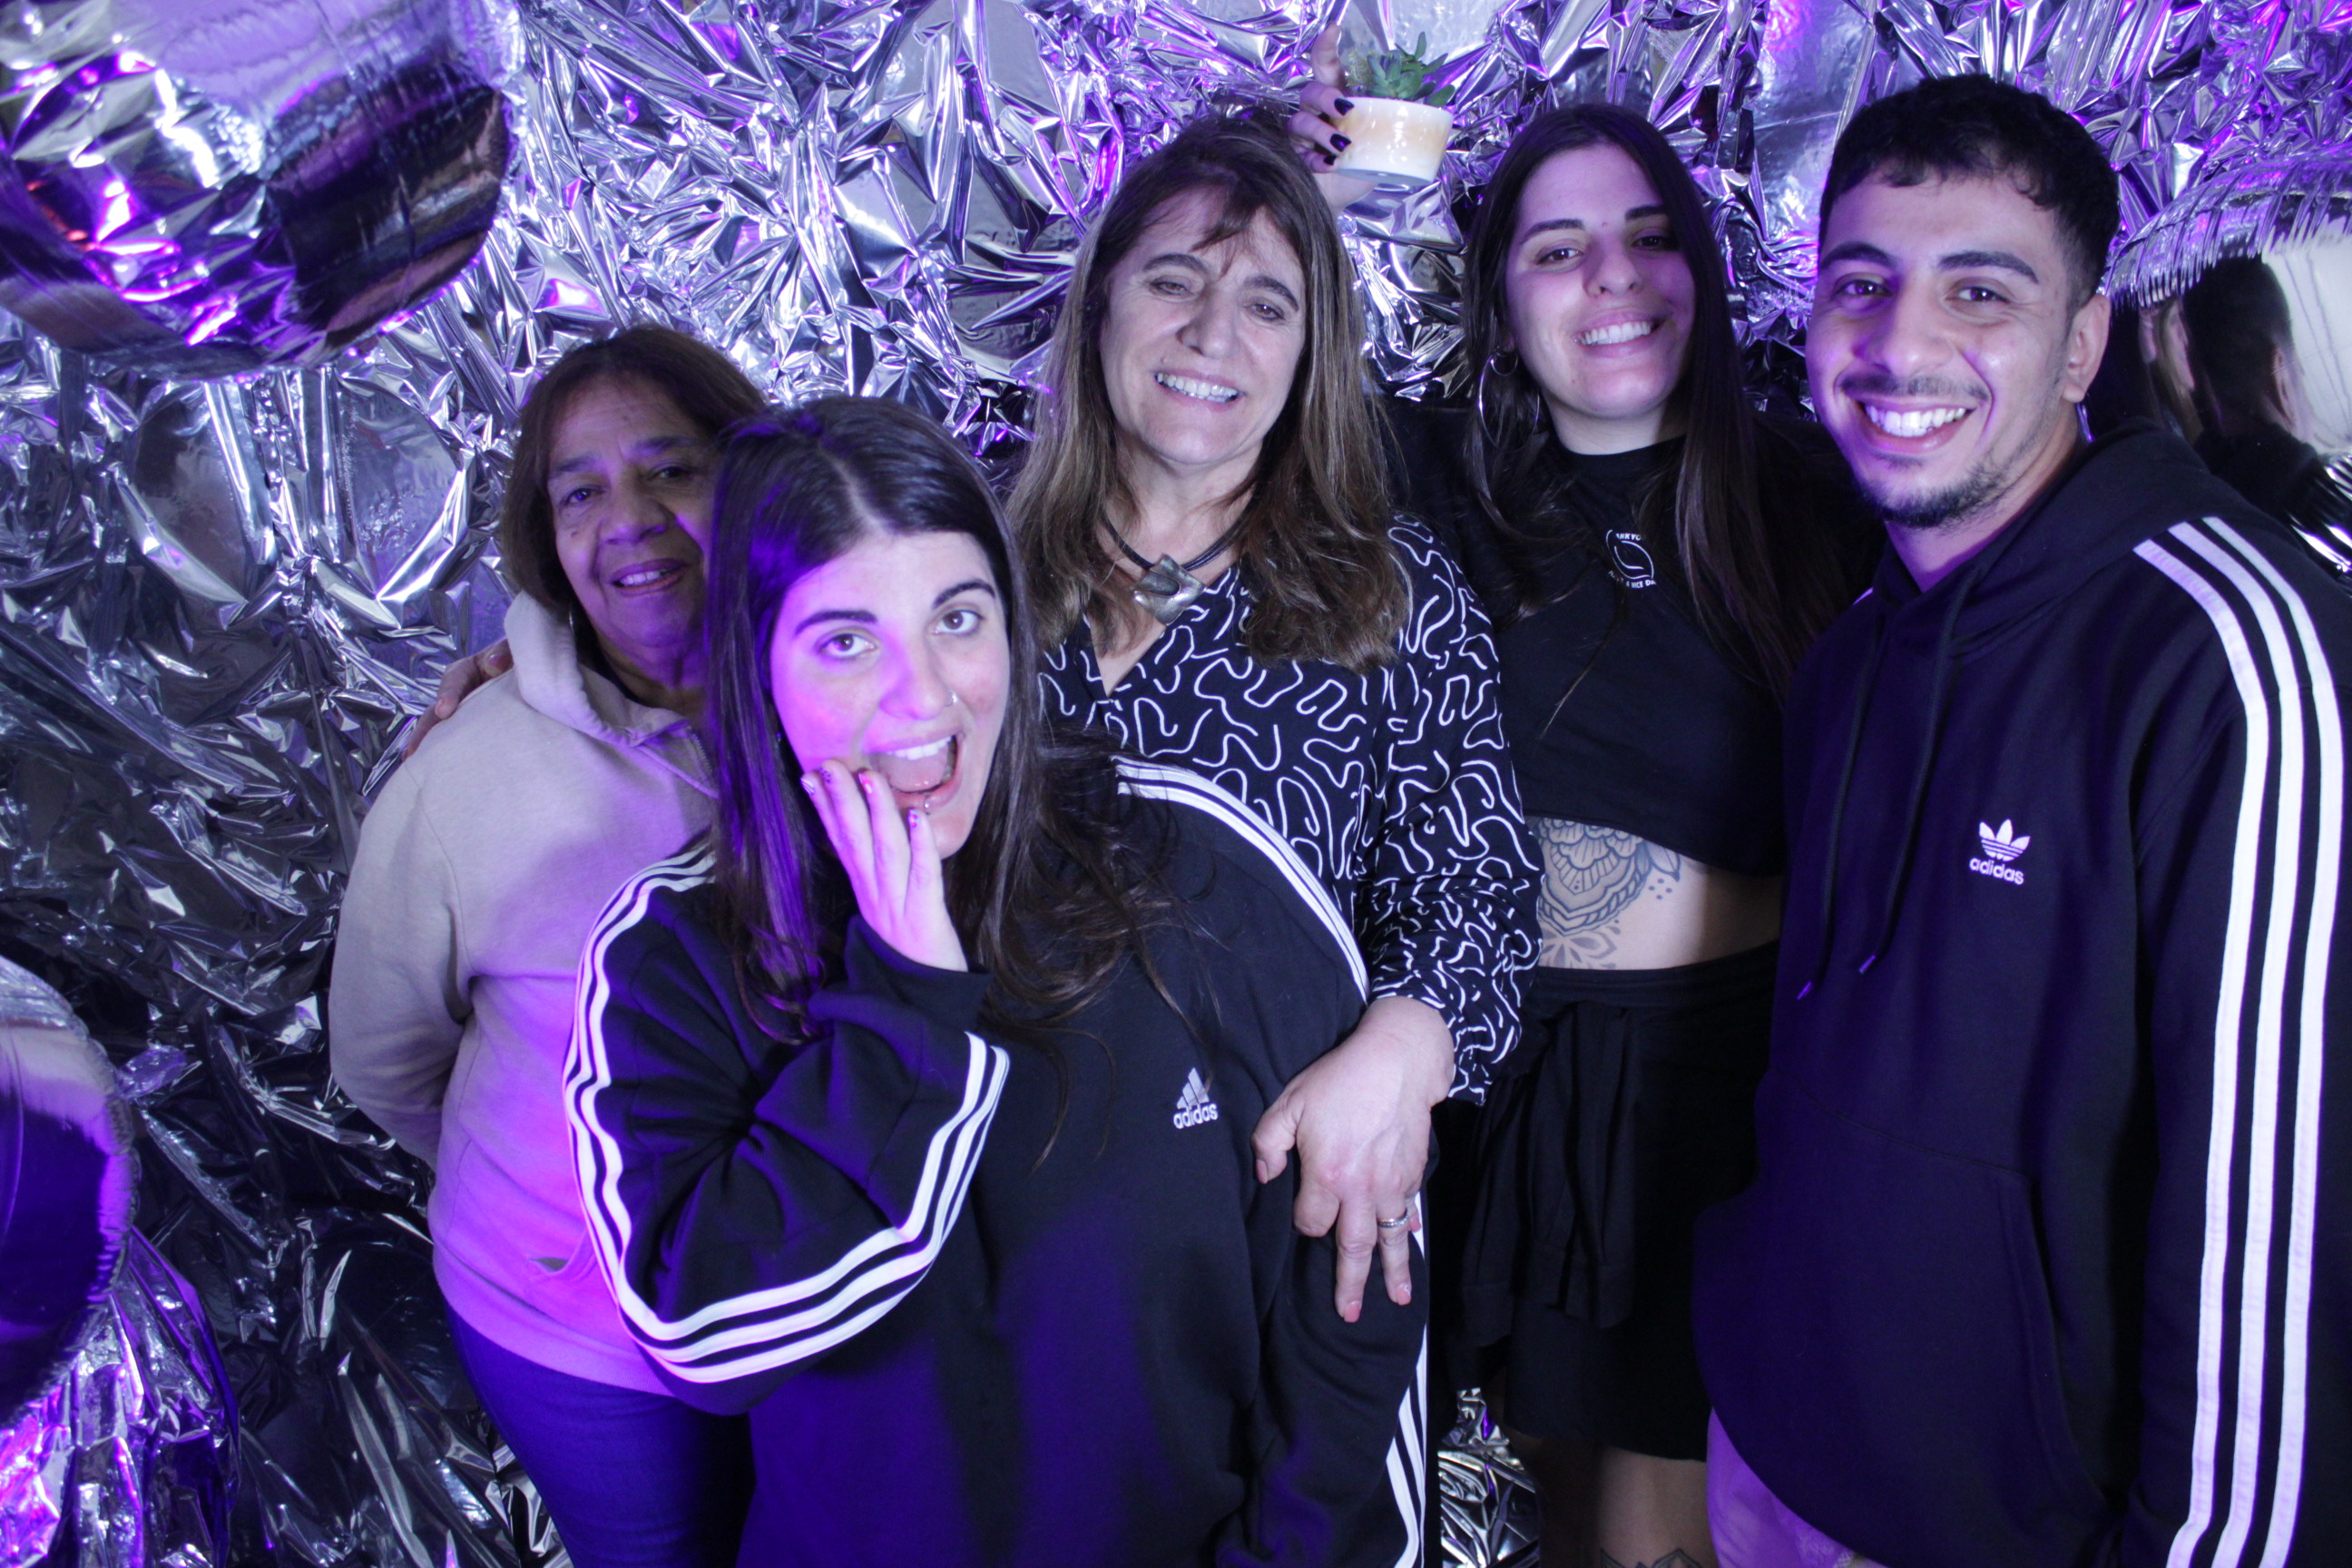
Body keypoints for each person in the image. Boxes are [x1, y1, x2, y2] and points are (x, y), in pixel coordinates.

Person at [564, 397, 1428, 1567]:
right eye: (845, 641)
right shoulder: (669, 958)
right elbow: (707, 1339)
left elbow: (1351, 1315)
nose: (924, 698)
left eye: (958, 618)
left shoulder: (1194, 866)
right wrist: (904, 1007)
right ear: (755, 664)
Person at [1690, 74, 2351, 1567]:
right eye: (1862, 283)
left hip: (2013, 1526)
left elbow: (2279, 1232)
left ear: (2085, 343)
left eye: (1980, 291)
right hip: (1777, 1465)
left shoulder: (2229, 656)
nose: (1901, 344)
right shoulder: (1854, 649)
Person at [1294, 72, 1869, 1564]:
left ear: (1701, 269)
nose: (1612, 277)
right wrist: (1312, 182)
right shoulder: (1429, 476)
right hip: (1502, 1078)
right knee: (1556, 1502)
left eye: (1648, 235)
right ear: (1500, 302)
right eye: (1558, 250)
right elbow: (1232, 380)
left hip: (1722, 1084)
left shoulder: (1815, 489)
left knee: (1667, 1527)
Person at [1013, 113, 1541, 1330]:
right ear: (1100, 303)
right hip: (1001, 1199)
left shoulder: (1388, 592)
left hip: (1268, 1217)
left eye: (1267, 303)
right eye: (1173, 281)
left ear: (1310, 352)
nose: (1213, 333)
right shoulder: (973, 572)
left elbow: (1478, 892)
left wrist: (1408, 1043)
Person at [330, 326, 764, 1568]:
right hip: (588, 1337)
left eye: (671, 469)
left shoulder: (856, 698)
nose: (628, 520)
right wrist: (568, 1197)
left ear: (754, 478)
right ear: (549, 535)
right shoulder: (466, 773)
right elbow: (384, 1059)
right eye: (580, 493)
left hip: (828, 1299)